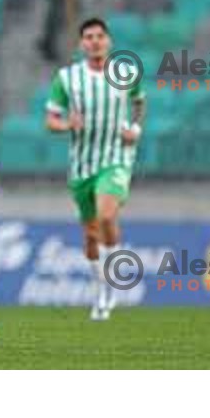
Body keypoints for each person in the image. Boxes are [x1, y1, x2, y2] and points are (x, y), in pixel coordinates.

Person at [45, 18, 146, 321]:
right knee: (91, 235)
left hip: (116, 157)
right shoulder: (67, 78)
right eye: (88, 37)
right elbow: (51, 119)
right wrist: (67, 124)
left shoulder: (126, 73)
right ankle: (101, 287)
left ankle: (111, 289)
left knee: (106, 215)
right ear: (81, 44)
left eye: (100, 36)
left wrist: (135, 128)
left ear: (109, 41)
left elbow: (139, 103)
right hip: (82, 165)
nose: (95, 41)